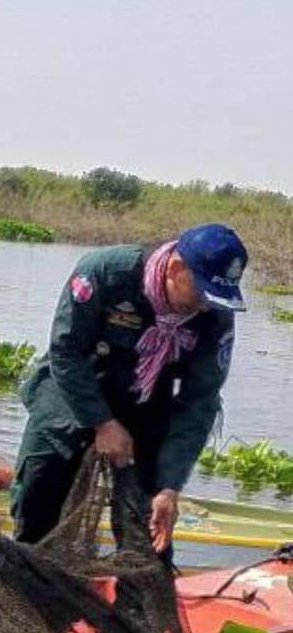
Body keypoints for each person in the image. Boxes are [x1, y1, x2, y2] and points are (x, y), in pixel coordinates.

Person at [12, 223, 247, 553]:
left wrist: (170, 486)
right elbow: (65, 351)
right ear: (176, 267)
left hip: (145, 397)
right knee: (38, 501)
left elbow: (200, 400)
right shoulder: (106, 272)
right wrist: (103, 423)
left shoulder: (214, 314)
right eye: (200, 293)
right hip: (73, 388)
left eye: (214, 299)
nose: (204, 307)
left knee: (146, 524)